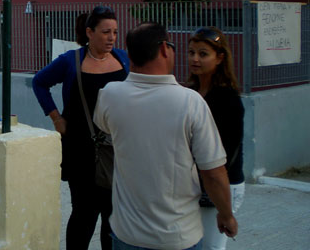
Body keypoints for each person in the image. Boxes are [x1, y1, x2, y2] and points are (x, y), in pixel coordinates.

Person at [94, 22, 238, 250]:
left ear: (130, 55)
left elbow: (106, 127)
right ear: (164, 49)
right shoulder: (190, 102)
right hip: (176, 237)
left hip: (126, 234)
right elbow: (213, 172)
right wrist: (226, 214)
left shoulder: (109, 94)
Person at [32, 6, 130, 250]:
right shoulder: (70, 61)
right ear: (89, 32)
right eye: (105, 32)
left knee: (113, 216)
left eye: (115, 32)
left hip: (117, 150)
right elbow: (39, 82)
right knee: (84, 214)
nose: (111, 38)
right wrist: (56, 118)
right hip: (80, 150)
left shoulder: (123, 59)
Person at [186, 27, 245, 250]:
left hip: (221, 184)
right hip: (197, 183)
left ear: (220, 58)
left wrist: (225, 210)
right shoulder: (190, 92)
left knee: (211, 247)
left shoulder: (228, 99)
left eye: (203, 54)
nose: (195, 59)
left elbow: (224, 156)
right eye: (191, 52)